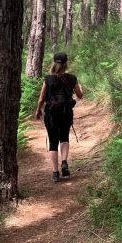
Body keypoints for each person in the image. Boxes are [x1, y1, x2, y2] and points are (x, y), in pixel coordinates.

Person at [35, 52, 83, 182]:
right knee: (64, 137)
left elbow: (41, 99)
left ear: (54, 63)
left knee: (52, 142)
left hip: (51, 114)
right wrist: (81, 88)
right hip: (66, 112)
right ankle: (64, 162)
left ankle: (55, 173)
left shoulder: (48, 79)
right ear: (66, 63)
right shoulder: (72, 78)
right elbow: (79, 95)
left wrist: (38, 110)